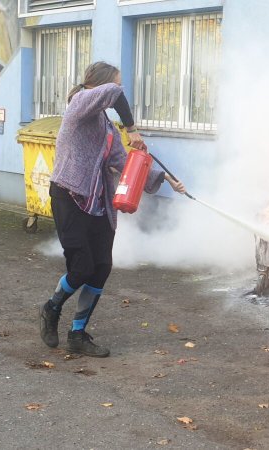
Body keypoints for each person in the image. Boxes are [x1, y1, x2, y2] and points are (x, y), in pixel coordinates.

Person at [39, 61, 186, 357]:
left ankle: (78, 334)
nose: (120, 91)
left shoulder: (105, 125)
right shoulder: (79, 105)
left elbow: (122, 162)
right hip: (70, 197)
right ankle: (51, 308)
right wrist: (132, 128)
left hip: (99, 204)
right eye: (116, 83)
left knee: (101, 267)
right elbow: (115, 93)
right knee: (81, 267)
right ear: (101, 86)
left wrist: (163, 178)